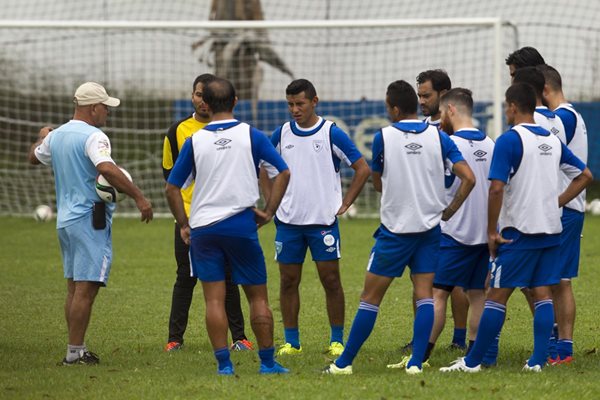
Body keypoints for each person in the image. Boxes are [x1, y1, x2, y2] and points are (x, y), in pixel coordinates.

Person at [324, 80, 475, 375]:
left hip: (395, 232)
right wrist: (449, 210)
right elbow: (468, 177)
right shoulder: (439, 137)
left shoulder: (384, 137)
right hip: (429, 231)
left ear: (393, 108)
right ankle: (416, 363)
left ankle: (343, 364)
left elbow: (377, 181)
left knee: (370, 298)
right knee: (425, 295)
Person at [440, 83, 592, 373]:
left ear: (511, 107)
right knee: (543, 292)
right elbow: (585, 175)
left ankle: (472, 362)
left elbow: (496, 189)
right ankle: (537, 361)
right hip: (549, 231)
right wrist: (556, 203)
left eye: (506, 107)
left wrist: (491, 232)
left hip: (518, 233)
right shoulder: (551, 139)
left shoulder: (509, 140)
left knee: (495, 294)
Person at [165, 77, 291, 375]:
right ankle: (268, 363)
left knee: (213, 299)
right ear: (236, 102)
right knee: (258, 297)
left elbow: (172, 188)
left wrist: (184, 225)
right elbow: (283, 172)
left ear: (206, 104)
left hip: (204, 230)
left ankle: (224, 365)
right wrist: (269, 210)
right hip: (241, 225)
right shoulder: (252, 135)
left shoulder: (195, 140)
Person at [27, 82, 154, 365]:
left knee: (74, 288)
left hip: (65, 221)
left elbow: (33, 157)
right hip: (89, 219)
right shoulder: (95, 136)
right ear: (93, 108)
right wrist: (139, 197)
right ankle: (74, 352)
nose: (108, 112)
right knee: (86, 289)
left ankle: (76, 348)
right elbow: (106, 168)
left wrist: (42, 136)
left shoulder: (58, 135)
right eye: (105, 107)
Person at [261, 78, 370, 357]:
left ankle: (336, 340)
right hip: (288, 223)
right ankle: (291, 342)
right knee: (287, 281)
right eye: (290, 105)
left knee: (331, 280)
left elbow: (362, 168)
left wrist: (346, 202)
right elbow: (263, 167)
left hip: (322, 223)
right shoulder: (282, 134)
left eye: (300, 103)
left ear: (314, 102)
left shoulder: (331, 133)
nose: (295, 109)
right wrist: (271, 202)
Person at [389, 88, 494, 369]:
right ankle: (475, 356)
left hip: (453, 232)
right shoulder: (492, 143)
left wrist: (446, 212)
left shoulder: (445, 143)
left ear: (450, 111)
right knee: (477, 295)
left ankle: (419, 356)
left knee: (437, 294)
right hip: (483, 234)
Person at [162, 73, 252, 353]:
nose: (203, 101)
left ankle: (240, 337)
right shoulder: (178, 131)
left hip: (224, 218)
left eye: (207, 95)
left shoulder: (232, 130)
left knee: (228, 278)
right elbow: (170, 178)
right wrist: (181, 221)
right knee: (185, 278)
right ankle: (175, 339)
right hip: (191, 219)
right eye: (198, 95)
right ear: (192, 96)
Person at [414, 69, 470, 352]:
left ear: (443, 95)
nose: (422, 100)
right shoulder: (420, 127)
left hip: (453, 217)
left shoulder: (456, 129)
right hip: (425, 218)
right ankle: (420, 338)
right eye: (419, 95)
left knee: (455, 283)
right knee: (422, 281)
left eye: (427, 95)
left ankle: (459, 338)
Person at [538, 64, 588, 364]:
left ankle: (563, 349)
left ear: (543, 90)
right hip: (563, 207)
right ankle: (555, 345)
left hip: (565, 208)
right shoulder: (570, 116)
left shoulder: (563, 118)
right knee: (551, 280)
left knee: (559, 281)